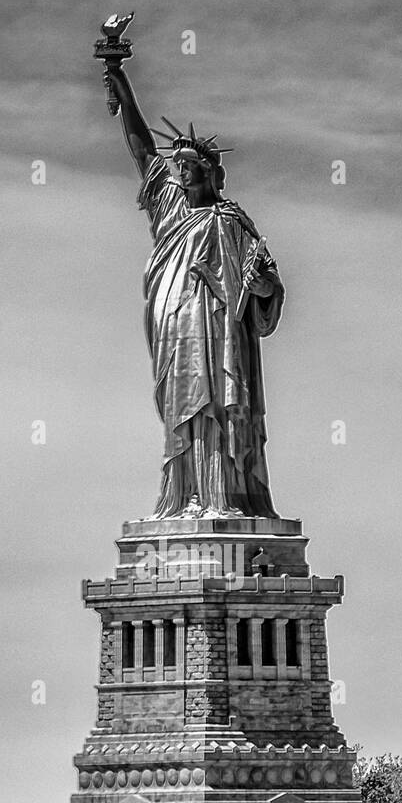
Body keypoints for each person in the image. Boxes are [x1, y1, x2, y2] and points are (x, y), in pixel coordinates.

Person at [103, 61, 284, 519]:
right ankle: (185, 496)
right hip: (175, 327)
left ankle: (223, 497)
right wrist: (118, 77)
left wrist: (263, 287)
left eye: (189, 165)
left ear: (210, 171)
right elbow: (142, 146)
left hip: (221, 333)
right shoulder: (168, 205)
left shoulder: (232, 222)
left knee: (220, 410)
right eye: (178, 165)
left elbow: (265, 286)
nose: (180, 172)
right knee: (182, 408)